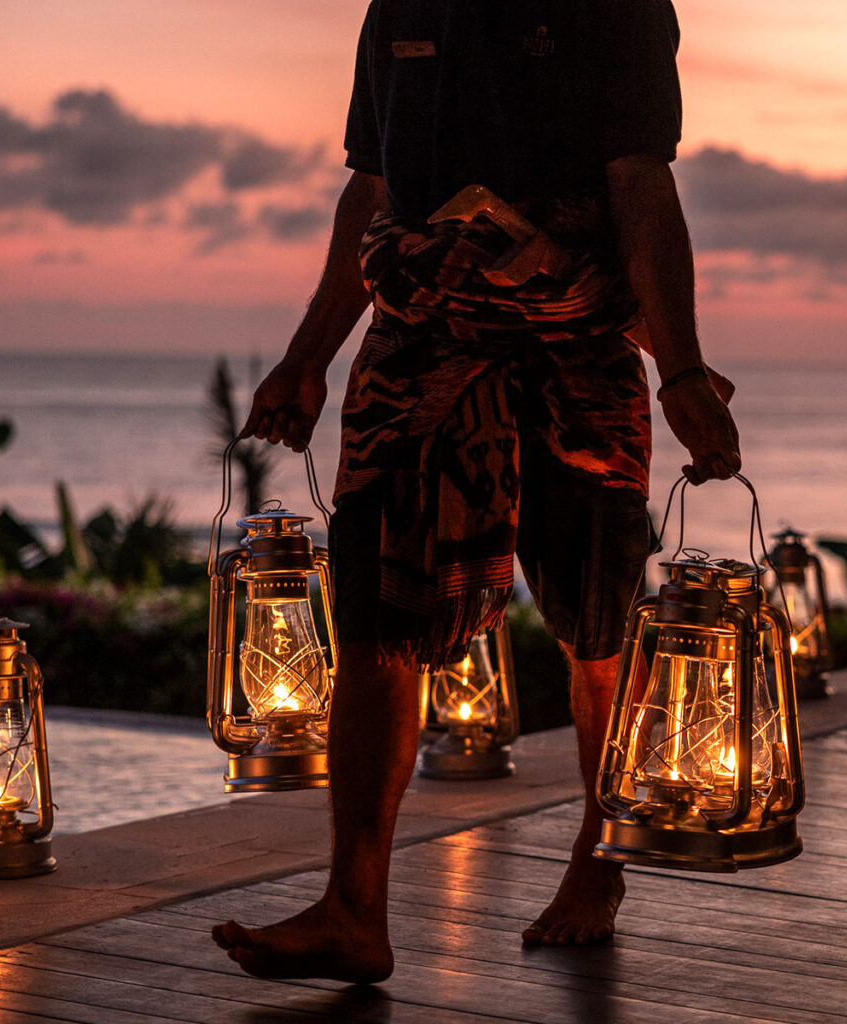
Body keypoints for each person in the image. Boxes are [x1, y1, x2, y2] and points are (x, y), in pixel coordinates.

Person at [212, 0, 739, 983]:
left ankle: (599, 856)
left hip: (574, 348)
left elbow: (640, 188)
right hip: (415, 351)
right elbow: (369, 191)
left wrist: (681, 370)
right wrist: (305, 358)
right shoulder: (400, 7)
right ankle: (352, 908)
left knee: (596, 627)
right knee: (374, 621)